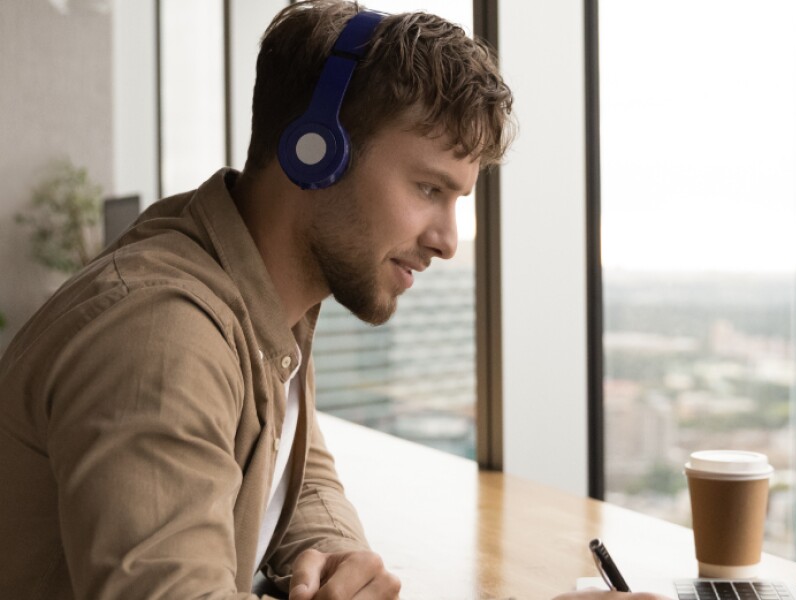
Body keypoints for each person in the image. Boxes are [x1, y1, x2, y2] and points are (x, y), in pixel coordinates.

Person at [0, 1, 514, 598]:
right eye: (429, 188)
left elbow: (298, 465)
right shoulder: (164, 336)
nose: (448, 241)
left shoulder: (262, 296)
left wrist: (336, 554)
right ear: (315, 152)